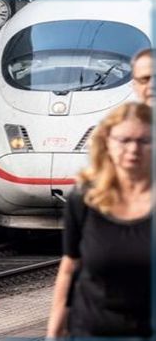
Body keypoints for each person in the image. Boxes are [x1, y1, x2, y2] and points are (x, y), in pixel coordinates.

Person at [46, 101, 151, 338]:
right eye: (124, 140)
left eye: (144, 140)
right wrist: (54, 332)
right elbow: (69, 266)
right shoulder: (83, 199)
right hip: (91, 330)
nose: (133, 149)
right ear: (107, 143)